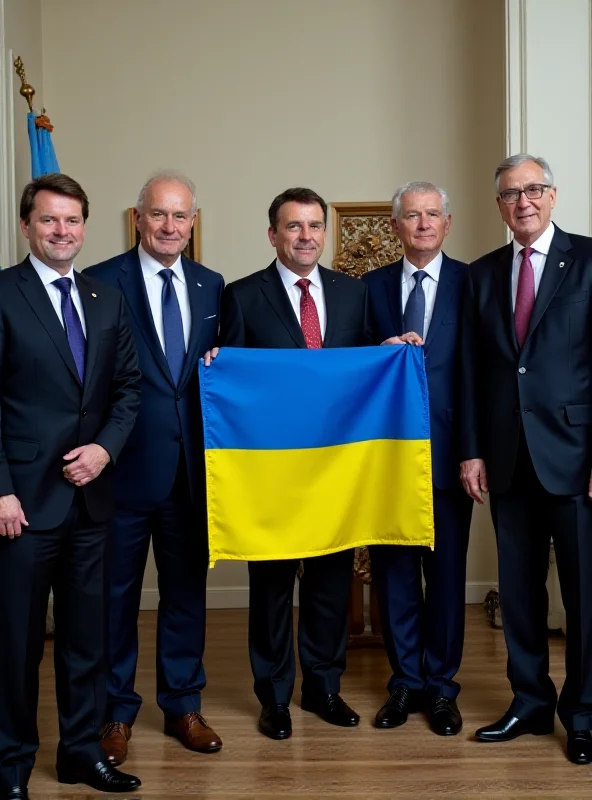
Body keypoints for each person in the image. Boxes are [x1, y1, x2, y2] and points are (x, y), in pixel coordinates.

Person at [209, 187, 374, 740]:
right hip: (272, 474)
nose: (306, 236)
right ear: (273, 234)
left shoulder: (354, 296)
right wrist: (217, 363)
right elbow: (231, 380)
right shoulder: (242, 297)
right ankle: (274, 697)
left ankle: (323, 689)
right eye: (293, 227)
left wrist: (395, 350)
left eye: (313, 226)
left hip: (334, 471)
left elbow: (368, 370)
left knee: (330, 586)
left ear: (323, 232)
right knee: (273, 591)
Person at [0, 174, 142, 800]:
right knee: (16, 647)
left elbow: (128, 390)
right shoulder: (4, 294)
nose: (62, 232)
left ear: (85, 227)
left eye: (73, 221)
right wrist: (0, 490)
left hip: (90, 500)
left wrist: (105, 448)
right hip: (21, 506)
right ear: (26, 225)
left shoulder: (106, 298)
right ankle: (10, 768)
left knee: (88, 640)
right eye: (50, 220)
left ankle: (82, 754)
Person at [86, 172, 224, 764]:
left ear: (193, 222)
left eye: (181, 216)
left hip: (191, 472)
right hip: (121, 469)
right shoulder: (98, 282)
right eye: (159, 215)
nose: (171, 227)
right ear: (138, 218)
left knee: (185, 595)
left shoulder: (212, 285)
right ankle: (114, 714)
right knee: (114, 598)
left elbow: (231, 370)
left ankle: (183, 706)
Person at [461, 154, 592, 765]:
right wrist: (472, 451)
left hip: (576, 458)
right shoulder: (482, 274)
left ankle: (584, 712)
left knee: (585, 595)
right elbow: (471, 372)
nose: (524, 202)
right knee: (518, 592)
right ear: (499, 206)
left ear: (553, 195)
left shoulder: (590, 261)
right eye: (511, 194)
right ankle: (530, 702)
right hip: (507, 459)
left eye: (534, 190)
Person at [362, 181, 472, 736]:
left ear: (446, 224)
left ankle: (442, 688)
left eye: (432, 215)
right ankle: (404, 682)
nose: (423, 224)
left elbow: (478, 375)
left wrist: (473, 452)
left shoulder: (469, 282)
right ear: (395, 227)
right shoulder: (372, 287)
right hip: (387, 460)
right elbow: (351, 369)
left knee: (447, 578)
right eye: (412, 216)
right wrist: (373, 356)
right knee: (395, 576)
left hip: (451, 458)